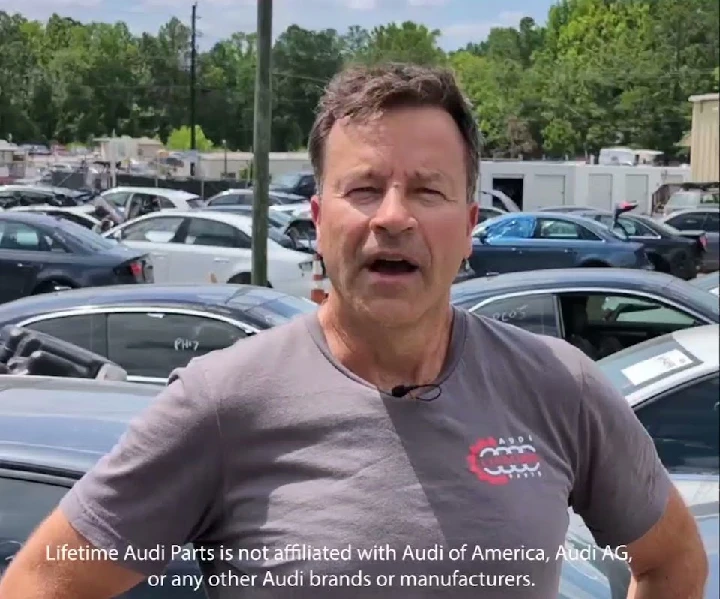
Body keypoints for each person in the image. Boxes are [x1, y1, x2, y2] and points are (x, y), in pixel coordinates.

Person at [0, 63, 707, 599]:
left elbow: (674, 558)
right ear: (318, 221)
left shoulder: (559, 387)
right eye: (363, 188)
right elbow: (40, 583)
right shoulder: (224, 402)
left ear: (467, 230)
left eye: (427, 190)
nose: (392, 216)